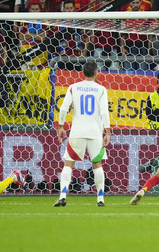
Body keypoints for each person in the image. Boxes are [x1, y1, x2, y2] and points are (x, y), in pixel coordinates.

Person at [55, 59, 111, 207]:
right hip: (95, 133)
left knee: (68, 163)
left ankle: (62, 196)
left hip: (77, 132)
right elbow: (104, 112)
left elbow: (63, 109)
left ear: (83, 73)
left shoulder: (74, 87)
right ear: (96, 73)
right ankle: (100, 199)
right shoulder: (101, 90)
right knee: (97, 164)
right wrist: (108, 132)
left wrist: (61, 127)